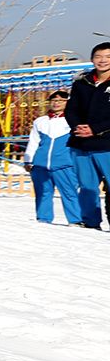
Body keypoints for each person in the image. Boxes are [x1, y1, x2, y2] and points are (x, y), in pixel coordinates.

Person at [65, 41, 110, 229]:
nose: (103, 60)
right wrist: (78, 127)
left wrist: (95, 129)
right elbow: (71, 110)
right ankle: (91, 223)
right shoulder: (81, 83)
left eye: (108, 57)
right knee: (87, 187)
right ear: (92, 59)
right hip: (81, 144)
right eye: (98, 56)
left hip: (106, 144)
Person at [24, 90, 81, 225]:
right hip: (41, 165)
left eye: (61, 101)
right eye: (54, 100)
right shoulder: (40, 121)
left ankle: (76, 220)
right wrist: (28, 160)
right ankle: (43, 218)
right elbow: (33, 141)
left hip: (65, 164)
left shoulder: (74, 120)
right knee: (43, 192)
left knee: (70, 192)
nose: (56, 103)